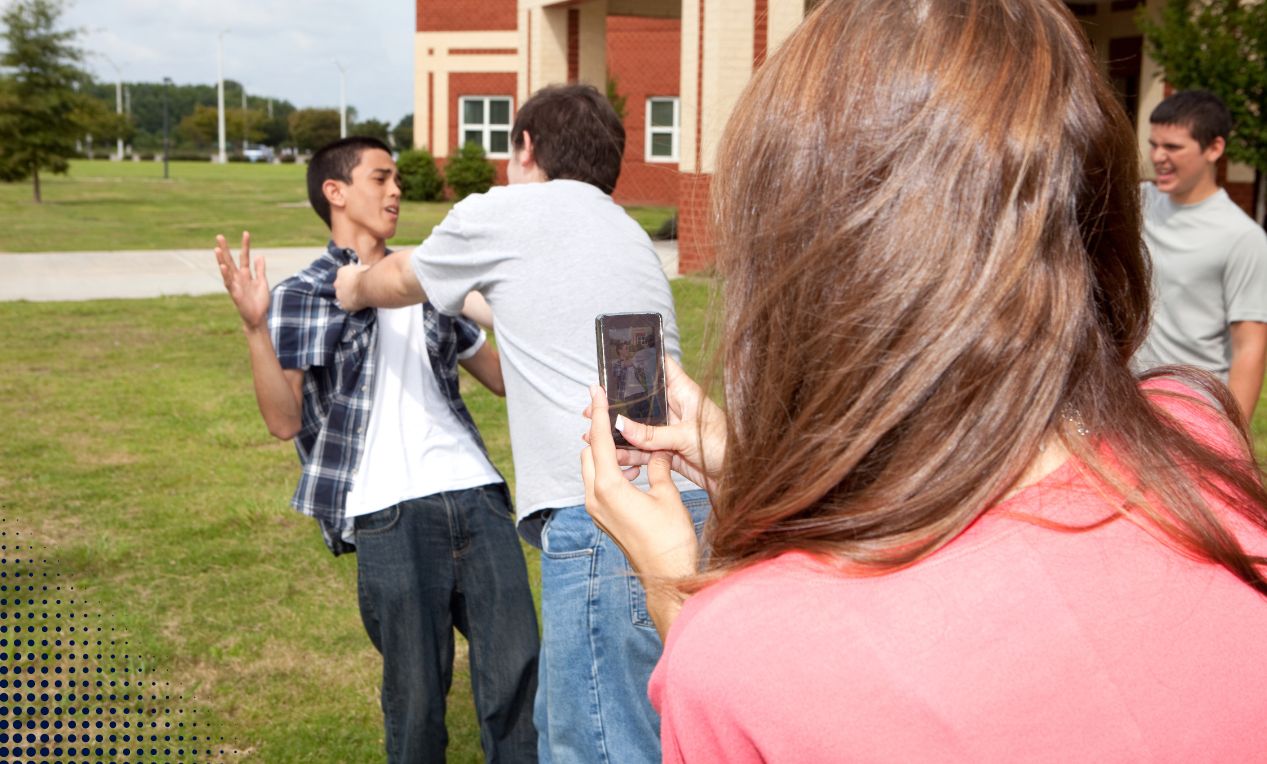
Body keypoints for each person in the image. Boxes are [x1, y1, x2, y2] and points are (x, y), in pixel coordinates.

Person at [579, 0, 1267, 760]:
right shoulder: (1196, 432)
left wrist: (674, 582)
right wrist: (747, 467)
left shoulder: (746, 652)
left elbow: (778, 691)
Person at [333, 85, 709, 764]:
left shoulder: (505, 212)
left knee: (592, 742)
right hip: (683, 511)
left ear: (527, 147)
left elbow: (399, 280)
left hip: (604, 524)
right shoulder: (619, 231)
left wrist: (352, 285)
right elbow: (531, 309)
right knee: (611, 724)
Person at [214, 136, 538, 763]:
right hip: (388, 510)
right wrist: (256, 327)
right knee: (416, 701)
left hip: (476, 494)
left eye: (397, 179)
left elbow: (499, 377)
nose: (396, 190)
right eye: (381, 178)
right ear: (335, 192)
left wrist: (533, 307)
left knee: (519, 677)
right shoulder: (306, 293)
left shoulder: (425, 279)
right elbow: (283, 421)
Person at [1135, 90, 1267, 422]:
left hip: (1195, 414)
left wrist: (1232, 438)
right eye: (1154, 144)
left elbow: (1249, 347)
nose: (1158, 156)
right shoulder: (1136, 204)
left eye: (1173, 147)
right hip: (1128, 403)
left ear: (1214, 148)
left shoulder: (1242, 237)